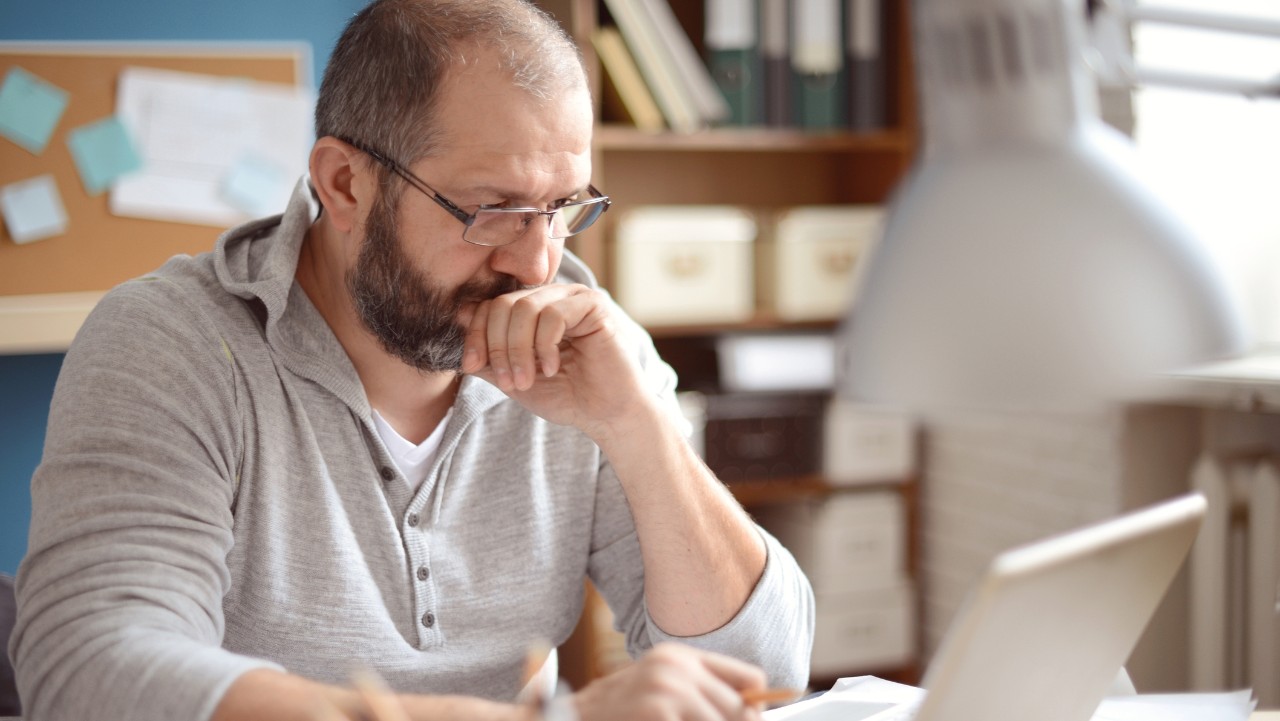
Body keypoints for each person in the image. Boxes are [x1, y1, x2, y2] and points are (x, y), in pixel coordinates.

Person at [9, 1, 814, 720]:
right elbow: (90, 669)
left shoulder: (585, 342)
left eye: (564, 208)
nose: (538, 266)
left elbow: (762, 677)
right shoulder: (173, 343)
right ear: (344, 183)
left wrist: (639, 428)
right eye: (494, 210)